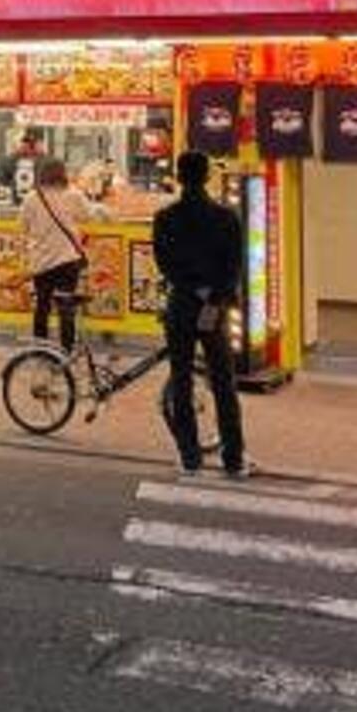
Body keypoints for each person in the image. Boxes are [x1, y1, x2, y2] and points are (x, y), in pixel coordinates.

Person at [151, 151, 249, 478]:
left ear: (179, 177)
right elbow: (234, 265)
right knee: (222, 381)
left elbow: (164, 263)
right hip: (212, 307)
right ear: (207, 176)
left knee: (181, 380)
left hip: (182, 304)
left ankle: (190, 456)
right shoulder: (226, 218)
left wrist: (192, 288)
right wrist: (214, 294)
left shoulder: (166, 218)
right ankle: (233, 456)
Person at [20, 157, 95, 350]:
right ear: (63, 174)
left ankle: (40, 349)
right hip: (67, 261)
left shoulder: (31, 198)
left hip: (41, 262)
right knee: (66, 308)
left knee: (42, 306)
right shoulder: (73, 195)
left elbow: (23, 226)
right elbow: (89, 215)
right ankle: (66, 350)